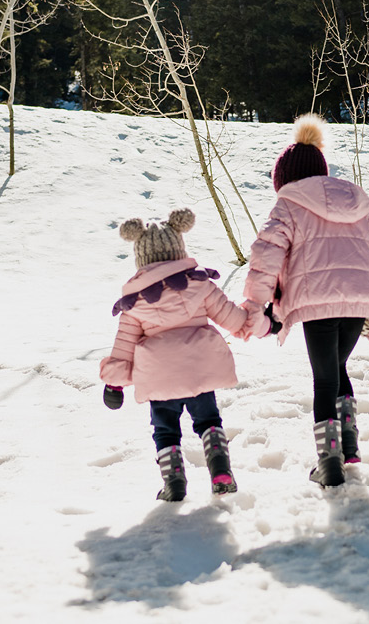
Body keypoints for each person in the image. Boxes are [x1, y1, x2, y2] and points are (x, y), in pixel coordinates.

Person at [242, 113, 369, 488]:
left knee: (325, 377)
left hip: (318, 302)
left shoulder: (288, 204)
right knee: (337, 367)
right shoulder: (358, 202)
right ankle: (348, 445)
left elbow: (266, 255)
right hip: (360, 302)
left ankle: (329, 462)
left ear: (285, 179)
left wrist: (255, 304)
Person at [100, 208, 268, 502]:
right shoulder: (200, 285)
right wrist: (255, 320)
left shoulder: (134, 303)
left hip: (160, 376)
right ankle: (221, 472)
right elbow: (231, 317)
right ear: (179, 249)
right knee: (209, 420)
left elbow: (124, 346)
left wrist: (114, 384)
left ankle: (174, 482)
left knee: (165, 429)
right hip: (200, 369)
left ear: (141, 258)